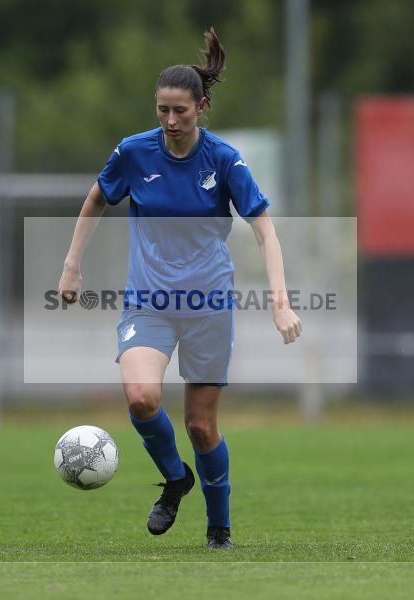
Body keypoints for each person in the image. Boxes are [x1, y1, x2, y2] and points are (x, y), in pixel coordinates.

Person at [58, 28, 301, 549]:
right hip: (148, 301)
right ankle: (175, 479)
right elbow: (97, 197)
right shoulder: (134, 152)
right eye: (162, 110)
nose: (170, 121)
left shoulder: (224, 160)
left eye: (180, 112)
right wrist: (72, 265)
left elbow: (265, 231)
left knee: (200, 426)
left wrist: (280, 303)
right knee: (141, 396)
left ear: (201, 108)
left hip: (208, 304)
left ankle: (219, 530)